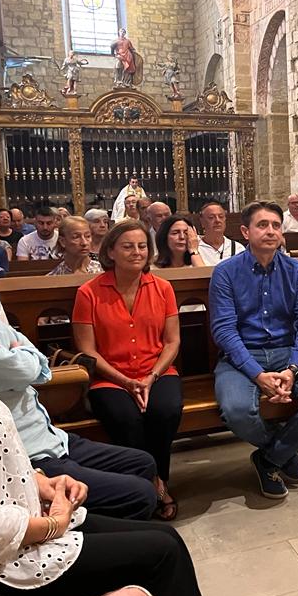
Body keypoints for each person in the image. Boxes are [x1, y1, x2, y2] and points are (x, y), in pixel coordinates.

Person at [0, 252, 215, 596]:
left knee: (161, 513)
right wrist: (52, 525)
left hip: (37, 495)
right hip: (12, 555)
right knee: (158, 540)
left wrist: (40, 481)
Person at [0, 201, 160, 520]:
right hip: (26, 450)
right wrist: (20, 353)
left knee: (143, 461)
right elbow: (25, 367)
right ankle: (83, 529)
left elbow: (29, 354)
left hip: (46, 434)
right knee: (140, 493)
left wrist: (20, 352)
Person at [210, 201, 298, 500]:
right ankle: (281, 451)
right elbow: (224, 331)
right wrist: (257, 375)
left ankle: (268, 459)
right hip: (242, 356)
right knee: (237, 411)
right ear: (245, 232)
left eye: (276, 226)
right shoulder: (226, 272)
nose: (271, 231)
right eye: (262, 225)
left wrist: (292, 369)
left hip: (287, 352)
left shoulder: (296, 271)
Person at [73, 222, 183, 520]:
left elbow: (172, 342)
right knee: (126, 418)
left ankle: (159, 479)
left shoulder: (162, 288)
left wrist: (150, 377)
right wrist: (125, 381)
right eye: (128, 246)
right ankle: (149, 485)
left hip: (157, 371)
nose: (136, 252)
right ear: (110, 251)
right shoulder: (89, 292)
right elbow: (88, 351)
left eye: (142, 246)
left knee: (166, 410)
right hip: (109, 377)